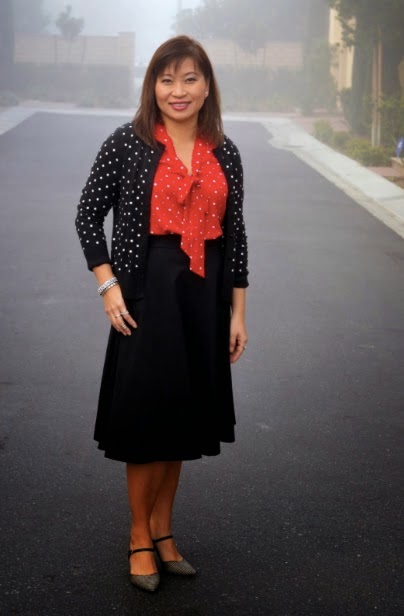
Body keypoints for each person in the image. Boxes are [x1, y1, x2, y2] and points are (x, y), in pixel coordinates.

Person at [75, 35, 249, 593]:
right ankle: (138, 536)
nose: (178, 90)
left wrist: (237, 312)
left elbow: (237, 235)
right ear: (152, 85)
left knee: (181, 419)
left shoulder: (225, 151)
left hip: (204, 295)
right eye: (167, 79)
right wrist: (108, 286)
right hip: (148, 291)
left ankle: (164, 532)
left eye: (190, 78)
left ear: (207, 86)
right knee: (147, 419)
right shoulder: (126, 143)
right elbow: (87, 215)